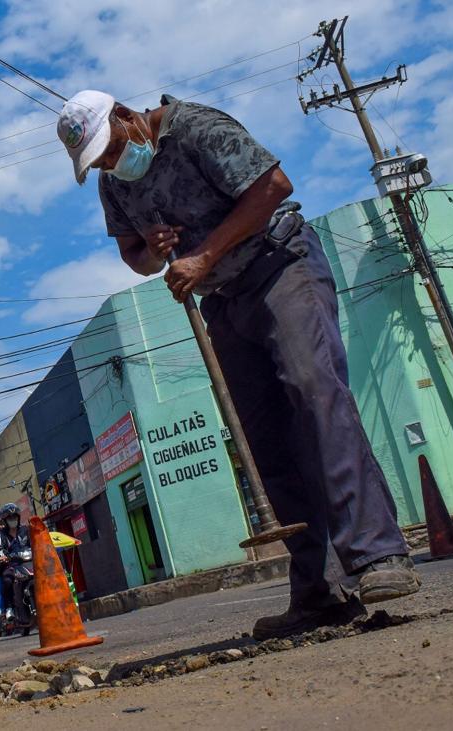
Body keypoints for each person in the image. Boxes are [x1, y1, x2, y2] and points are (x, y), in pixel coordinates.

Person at [56, 90, 421, 640]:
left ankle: (378, 554)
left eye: (110, 149)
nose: (111, 163)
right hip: (224, 301)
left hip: (280, 266)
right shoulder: (115, 183)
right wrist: (153, 250)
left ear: (126, 117)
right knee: (264, 439)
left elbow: (274, 187)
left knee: (314, 393)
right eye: (100, 160)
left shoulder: (196, 128)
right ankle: (318, 592)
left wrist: (204, 255)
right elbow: (134, 255)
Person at [0, 503, 31, 626]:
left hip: (28, 563)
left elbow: (35, 542)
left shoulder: (25, 530)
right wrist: (1, 556)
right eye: (10, 518)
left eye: (14, 517)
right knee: (7, 580)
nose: (13, 520)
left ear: (18, 518)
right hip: (11, 565)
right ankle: (9, 607)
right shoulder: (0, 535)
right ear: (5, 520)